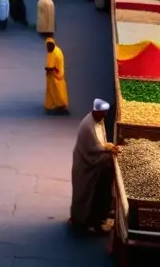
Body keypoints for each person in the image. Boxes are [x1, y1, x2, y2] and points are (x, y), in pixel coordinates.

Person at [70, 99, 118, 235]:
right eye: (103, 113)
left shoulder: (98, 120)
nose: (104, 116)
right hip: (86, 162)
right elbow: (92, 148)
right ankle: (83, 221)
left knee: (95, 193)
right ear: (96, 111)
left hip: (95, 159)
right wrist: (106, 148)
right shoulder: (87, 126)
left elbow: (100, 139)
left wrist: (107, 146)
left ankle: (96, 219)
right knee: (84, 192)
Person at [44, 38, 69, 114]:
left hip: (55, 76)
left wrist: (47, 69)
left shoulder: (54, 53)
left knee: (57, 92)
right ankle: (52, 105)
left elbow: (50, 67)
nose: (48, 48)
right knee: (53, 91)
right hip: (56, 75)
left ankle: (61, 105)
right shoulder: (55, 50)